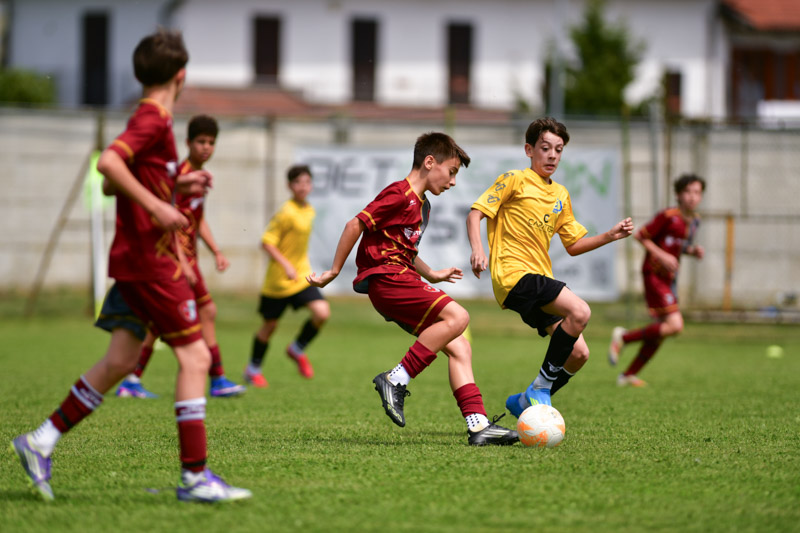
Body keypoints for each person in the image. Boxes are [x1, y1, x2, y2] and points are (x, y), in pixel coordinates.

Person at [10, 30, 251, 503]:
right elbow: (108, 165)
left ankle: (40, 441)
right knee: (196, 357)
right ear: (181, 75)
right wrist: (160, 207)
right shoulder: (155, 118)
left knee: (121, 361)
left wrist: (175, 187)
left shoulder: (145, 117)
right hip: (151, 261)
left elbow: (113, 185)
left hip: (133, 261)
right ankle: (195, 477)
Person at [307, 132, 518, 446]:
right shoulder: (398, 193)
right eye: (451, 172)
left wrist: (432, 274)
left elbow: (404, 248)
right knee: (459, 317)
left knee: (460, 348)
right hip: (388, 279)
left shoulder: (422, 205)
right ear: (430, 162)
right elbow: (355, 225)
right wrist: (334, 271)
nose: (453, 182)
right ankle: (396, 379)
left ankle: (478, 426)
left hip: (398, 278)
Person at [466, 117, 634, 417]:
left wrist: (610, 236)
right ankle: (541, 388)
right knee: (580, 311)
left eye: (558, 149)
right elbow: (476, 213)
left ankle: (525, 400)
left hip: (538, 278)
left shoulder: (560, 195)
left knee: (579, 354)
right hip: (514, 275)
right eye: (545, 148)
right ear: (529, 150)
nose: (552, 155)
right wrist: (478, 249)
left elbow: (573, 245)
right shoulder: (514, 179)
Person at [114, 114, 246, 399]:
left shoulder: (198, 176)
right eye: (201, 141)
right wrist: (183, 261)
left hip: (187, 259)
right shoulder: (180, 177)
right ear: (188, 143)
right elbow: (168, 219)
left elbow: (197, 219)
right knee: (205, 311)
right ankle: (217, 379)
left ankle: (132, 380)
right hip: (177, 258)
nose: (206, 147)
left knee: (161, 321)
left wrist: (216, 251)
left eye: (211, 142)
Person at [608, 173, 705, 386]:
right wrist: (663, 256)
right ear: (678, 195)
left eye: (697, 192)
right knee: (675, 325)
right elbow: (641, 236)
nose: (692, 197)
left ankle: (627, 375)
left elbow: (677, 246)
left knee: (662, 331)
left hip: (669, 279)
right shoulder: (668, 216)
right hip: (653, 274)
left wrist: (692, 251)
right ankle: (623, 338)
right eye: (687, 192)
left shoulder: (695, 221)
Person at [243, 165, 330, 387]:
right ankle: (253, 370)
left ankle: (296, 349)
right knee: (269, 327)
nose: (303, 186)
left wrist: (296, 267)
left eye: (307, 182)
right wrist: (286, 265)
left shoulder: (309, 210)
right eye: (298, 182)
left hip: (301, 276)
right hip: (278, 282)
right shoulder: (285, 212)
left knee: (322, 312)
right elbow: (267, 243)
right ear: (289, 186)